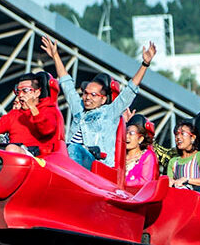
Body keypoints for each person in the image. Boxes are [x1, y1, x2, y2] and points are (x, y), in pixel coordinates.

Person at [41, 37, 157, 169]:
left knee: (73, 149)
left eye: (94, 95)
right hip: (70, 158)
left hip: (97, 164)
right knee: (52, 151)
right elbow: (67, 85)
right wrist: (55, 56)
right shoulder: (79, 108)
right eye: (85, 93)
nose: (87, 97)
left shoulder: (109, 112)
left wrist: (145, 64)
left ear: (103, 99)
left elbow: (129, 91)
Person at [0, 73, 62, 156]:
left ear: (37, 92)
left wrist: (32, 108)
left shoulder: (48, 109)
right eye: (18, 91)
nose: (20, 95)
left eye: (25, 90)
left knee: (11, 149)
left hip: (40, 159)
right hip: (16, 158)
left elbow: (47, 129)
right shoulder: (15, 114)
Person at [166, 119, 200, 191]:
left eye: (183, 134)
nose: (178, 137)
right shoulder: (173, 161)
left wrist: (187, 180)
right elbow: (169, 181)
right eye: (176, 134)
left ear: (192, 138)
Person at [123, 112, 158, 187]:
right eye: (126, 132)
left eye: (131, 133)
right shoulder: (120, 154)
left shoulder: (147, 156)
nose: (126, 136)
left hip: (134, 196)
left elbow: (144, 181)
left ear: (140, 139)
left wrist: (123, 183)